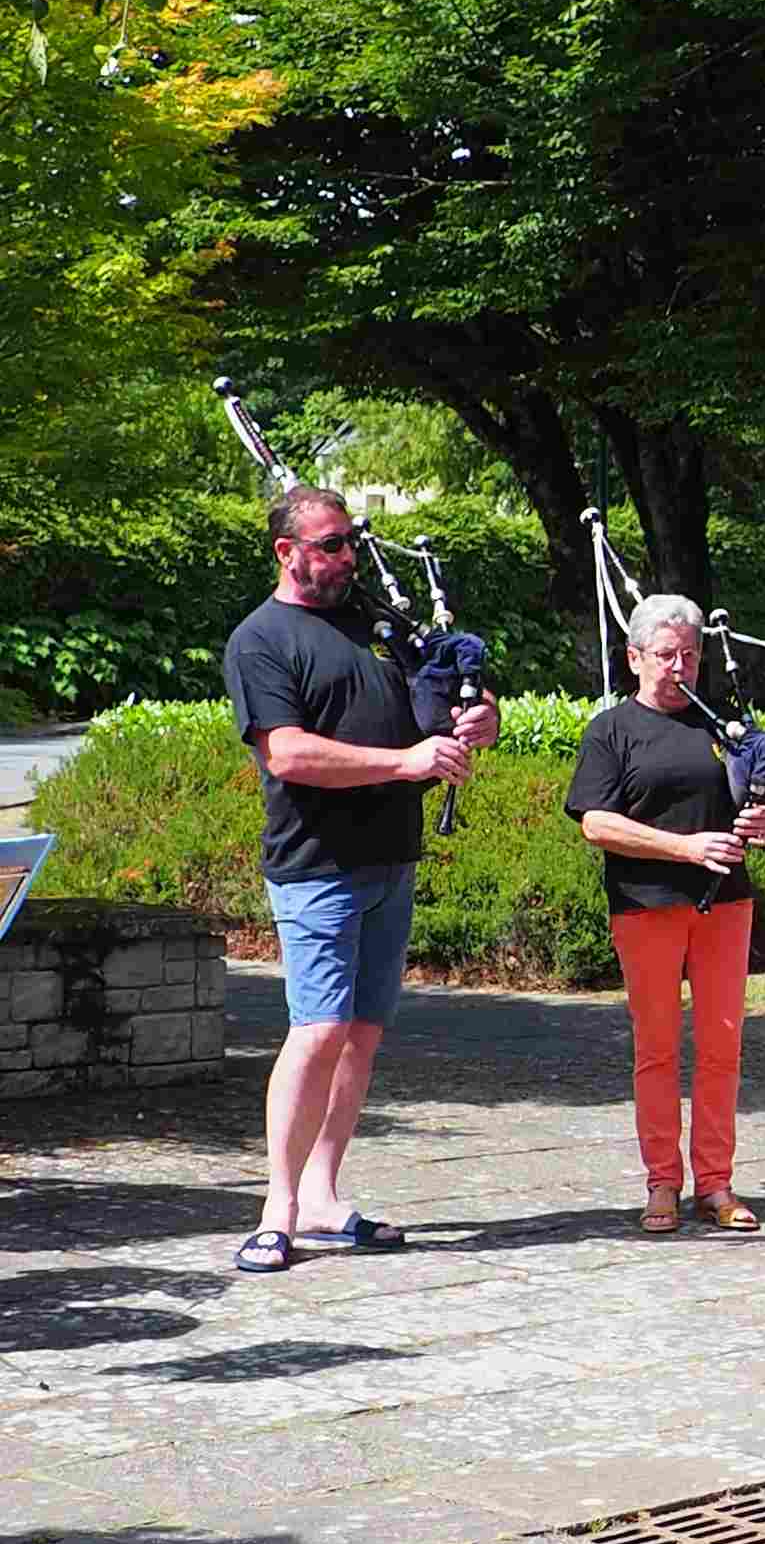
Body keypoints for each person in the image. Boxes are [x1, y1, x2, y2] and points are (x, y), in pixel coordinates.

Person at [223, 485, 500, 1274]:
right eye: (333, 544)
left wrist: (477, 718)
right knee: (316, 1033)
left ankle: (323, 1196)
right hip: (316, 866)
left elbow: (438, 699)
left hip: (391, 858)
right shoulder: (262, 640)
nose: (350, 557)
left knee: (361, 1037)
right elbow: (287, 752)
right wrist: (406, 762)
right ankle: (275, 1207)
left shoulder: (376, 623)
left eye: (351, 542)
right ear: (288, 551)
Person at [566, 595, 765, 1234]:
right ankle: (662, 1182)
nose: (681, 666)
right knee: (658, 1049)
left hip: (726, 904)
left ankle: (717, 1183)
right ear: (635, 657)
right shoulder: (611, 730)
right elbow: (596, 822)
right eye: (667, 655)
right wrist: (686, 848)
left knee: (722, 1045)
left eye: (690, 654)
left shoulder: (722, 721)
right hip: (647, 906)